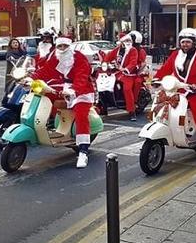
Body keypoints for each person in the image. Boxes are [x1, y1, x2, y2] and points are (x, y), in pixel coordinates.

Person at [154, 28, 196, 164]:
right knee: (161, 104)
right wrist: (156, 79)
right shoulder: (175, 55)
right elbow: (165, 68)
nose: (185, 45)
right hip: (179, 90)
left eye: (188, 42)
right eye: (183, 42)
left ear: (194, 43)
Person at [30, 37, 94, 168]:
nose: (62, 49)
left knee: (81, 113)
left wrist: (74, 90)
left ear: (69, 46)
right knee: (43, 94)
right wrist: (30, 77)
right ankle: (49, 124)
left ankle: (83, 151)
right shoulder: (55, 56)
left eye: (65, 46)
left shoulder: (79, 58)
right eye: (60, 46)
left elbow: (82, 76)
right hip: (64, 87)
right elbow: (46, 70)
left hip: (81, 90)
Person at [103, 33, 139, 121]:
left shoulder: (133, 50)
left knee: (127, 89)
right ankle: (103, 106)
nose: (126, 43)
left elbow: (133, 62)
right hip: (117, 73)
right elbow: (108, 56)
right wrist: (104, 63)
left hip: (129, 75)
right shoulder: (117, 50)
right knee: (104, 83)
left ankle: (132, 111)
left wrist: (126, 69)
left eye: (128, 41)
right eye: (124, 41)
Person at [130, 30, 148, 109]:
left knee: (137, 82)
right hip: (126, 71)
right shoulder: (127, 49)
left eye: (131, 39)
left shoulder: (141, 51)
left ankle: (134, 101)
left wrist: (136, 69)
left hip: (137, 72)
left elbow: (142, 63)